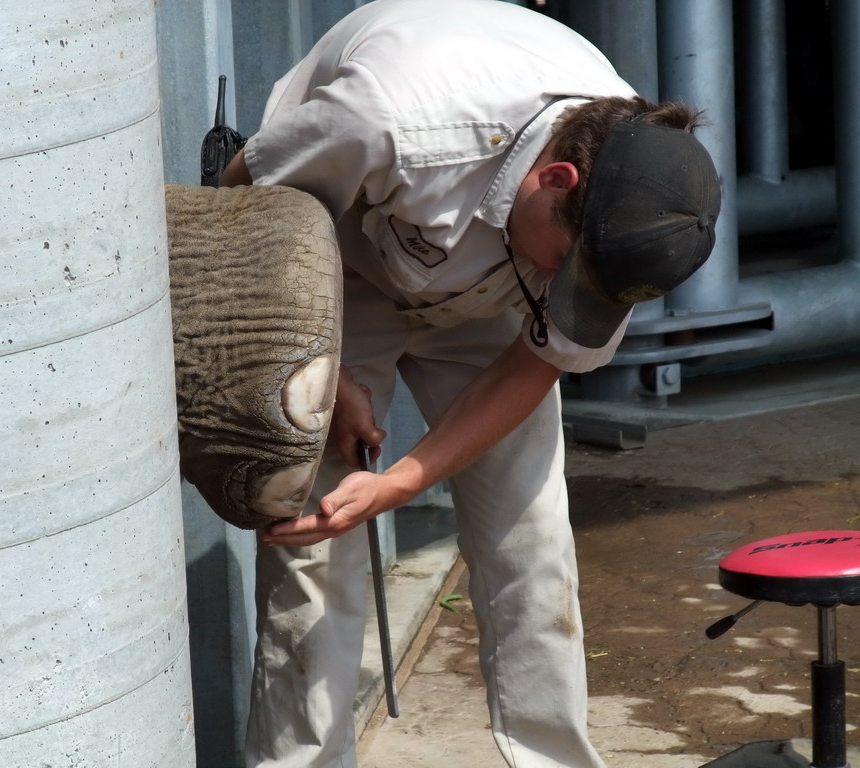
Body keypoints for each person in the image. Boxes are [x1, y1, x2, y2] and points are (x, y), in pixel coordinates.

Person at [221, 1, 721, 766]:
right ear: (555, 179)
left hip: (492, 285)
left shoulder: (631, 209)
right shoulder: (389, 117)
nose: (573, 286)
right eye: (570, 266)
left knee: (535, 538)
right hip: (332, 265)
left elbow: (534, 362)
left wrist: (404, 481)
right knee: (318, 545)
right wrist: (311, 361)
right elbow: (241, 207)